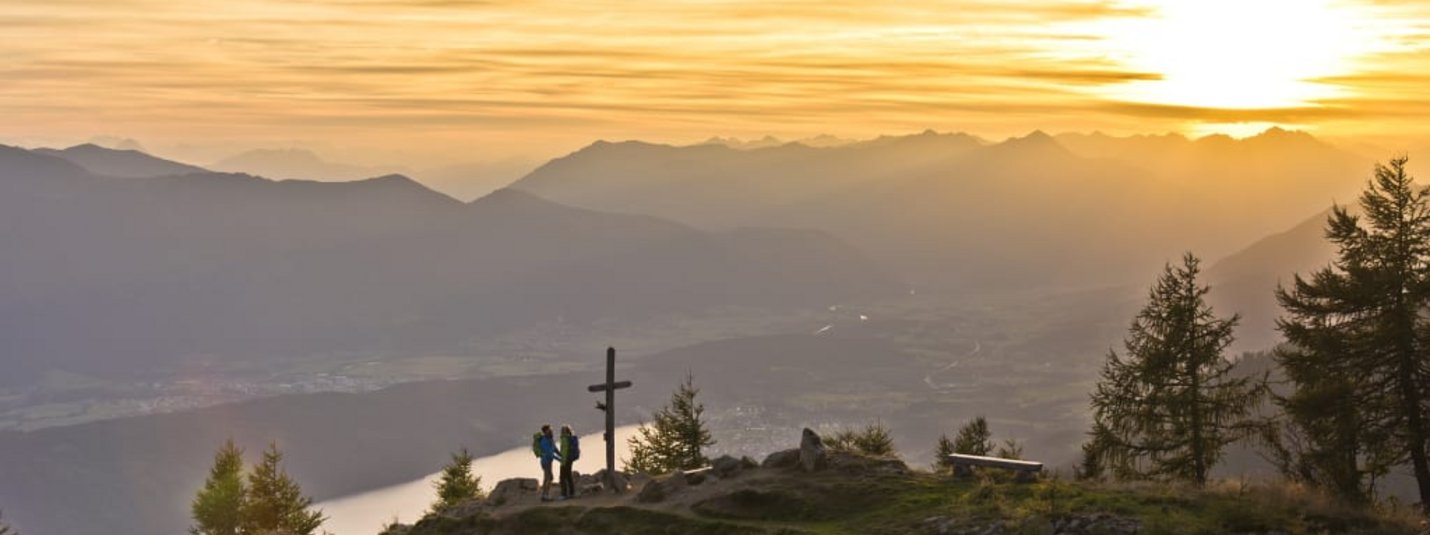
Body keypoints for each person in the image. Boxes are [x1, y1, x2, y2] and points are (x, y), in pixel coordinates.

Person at [537, 424, 562, 501]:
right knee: (548, 478)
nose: (551, 431)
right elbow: (549, 453)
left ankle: (545, 495)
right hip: (545, 462)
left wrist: (561, 455)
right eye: (549, 430)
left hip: (549, 462)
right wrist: (559, 459)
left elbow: (554, 449)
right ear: (545, 432)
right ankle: (545, 495)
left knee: (548, 478)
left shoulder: (550, 439)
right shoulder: (544, 441)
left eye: (551, 430)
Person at [558, 425, 580, 499]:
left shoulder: (564, 439)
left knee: (562, 477)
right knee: (569, 476)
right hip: (570, 459)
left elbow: (564, 452)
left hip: (565, 460)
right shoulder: (571, 438)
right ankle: (572, 493)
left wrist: (562, 461)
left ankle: (564, 494)